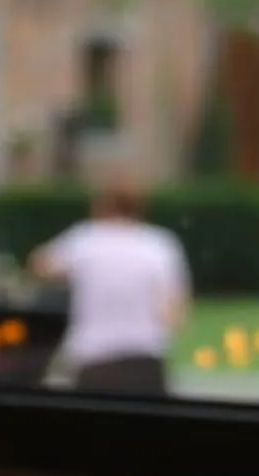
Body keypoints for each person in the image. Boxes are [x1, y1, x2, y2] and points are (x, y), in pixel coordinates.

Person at [31, 167, 189, 396]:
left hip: (96, 360)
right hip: (147, 360)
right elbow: (175, 313)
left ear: (101, 205)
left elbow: (40, 265)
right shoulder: (161, 244)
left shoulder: (85, 239)